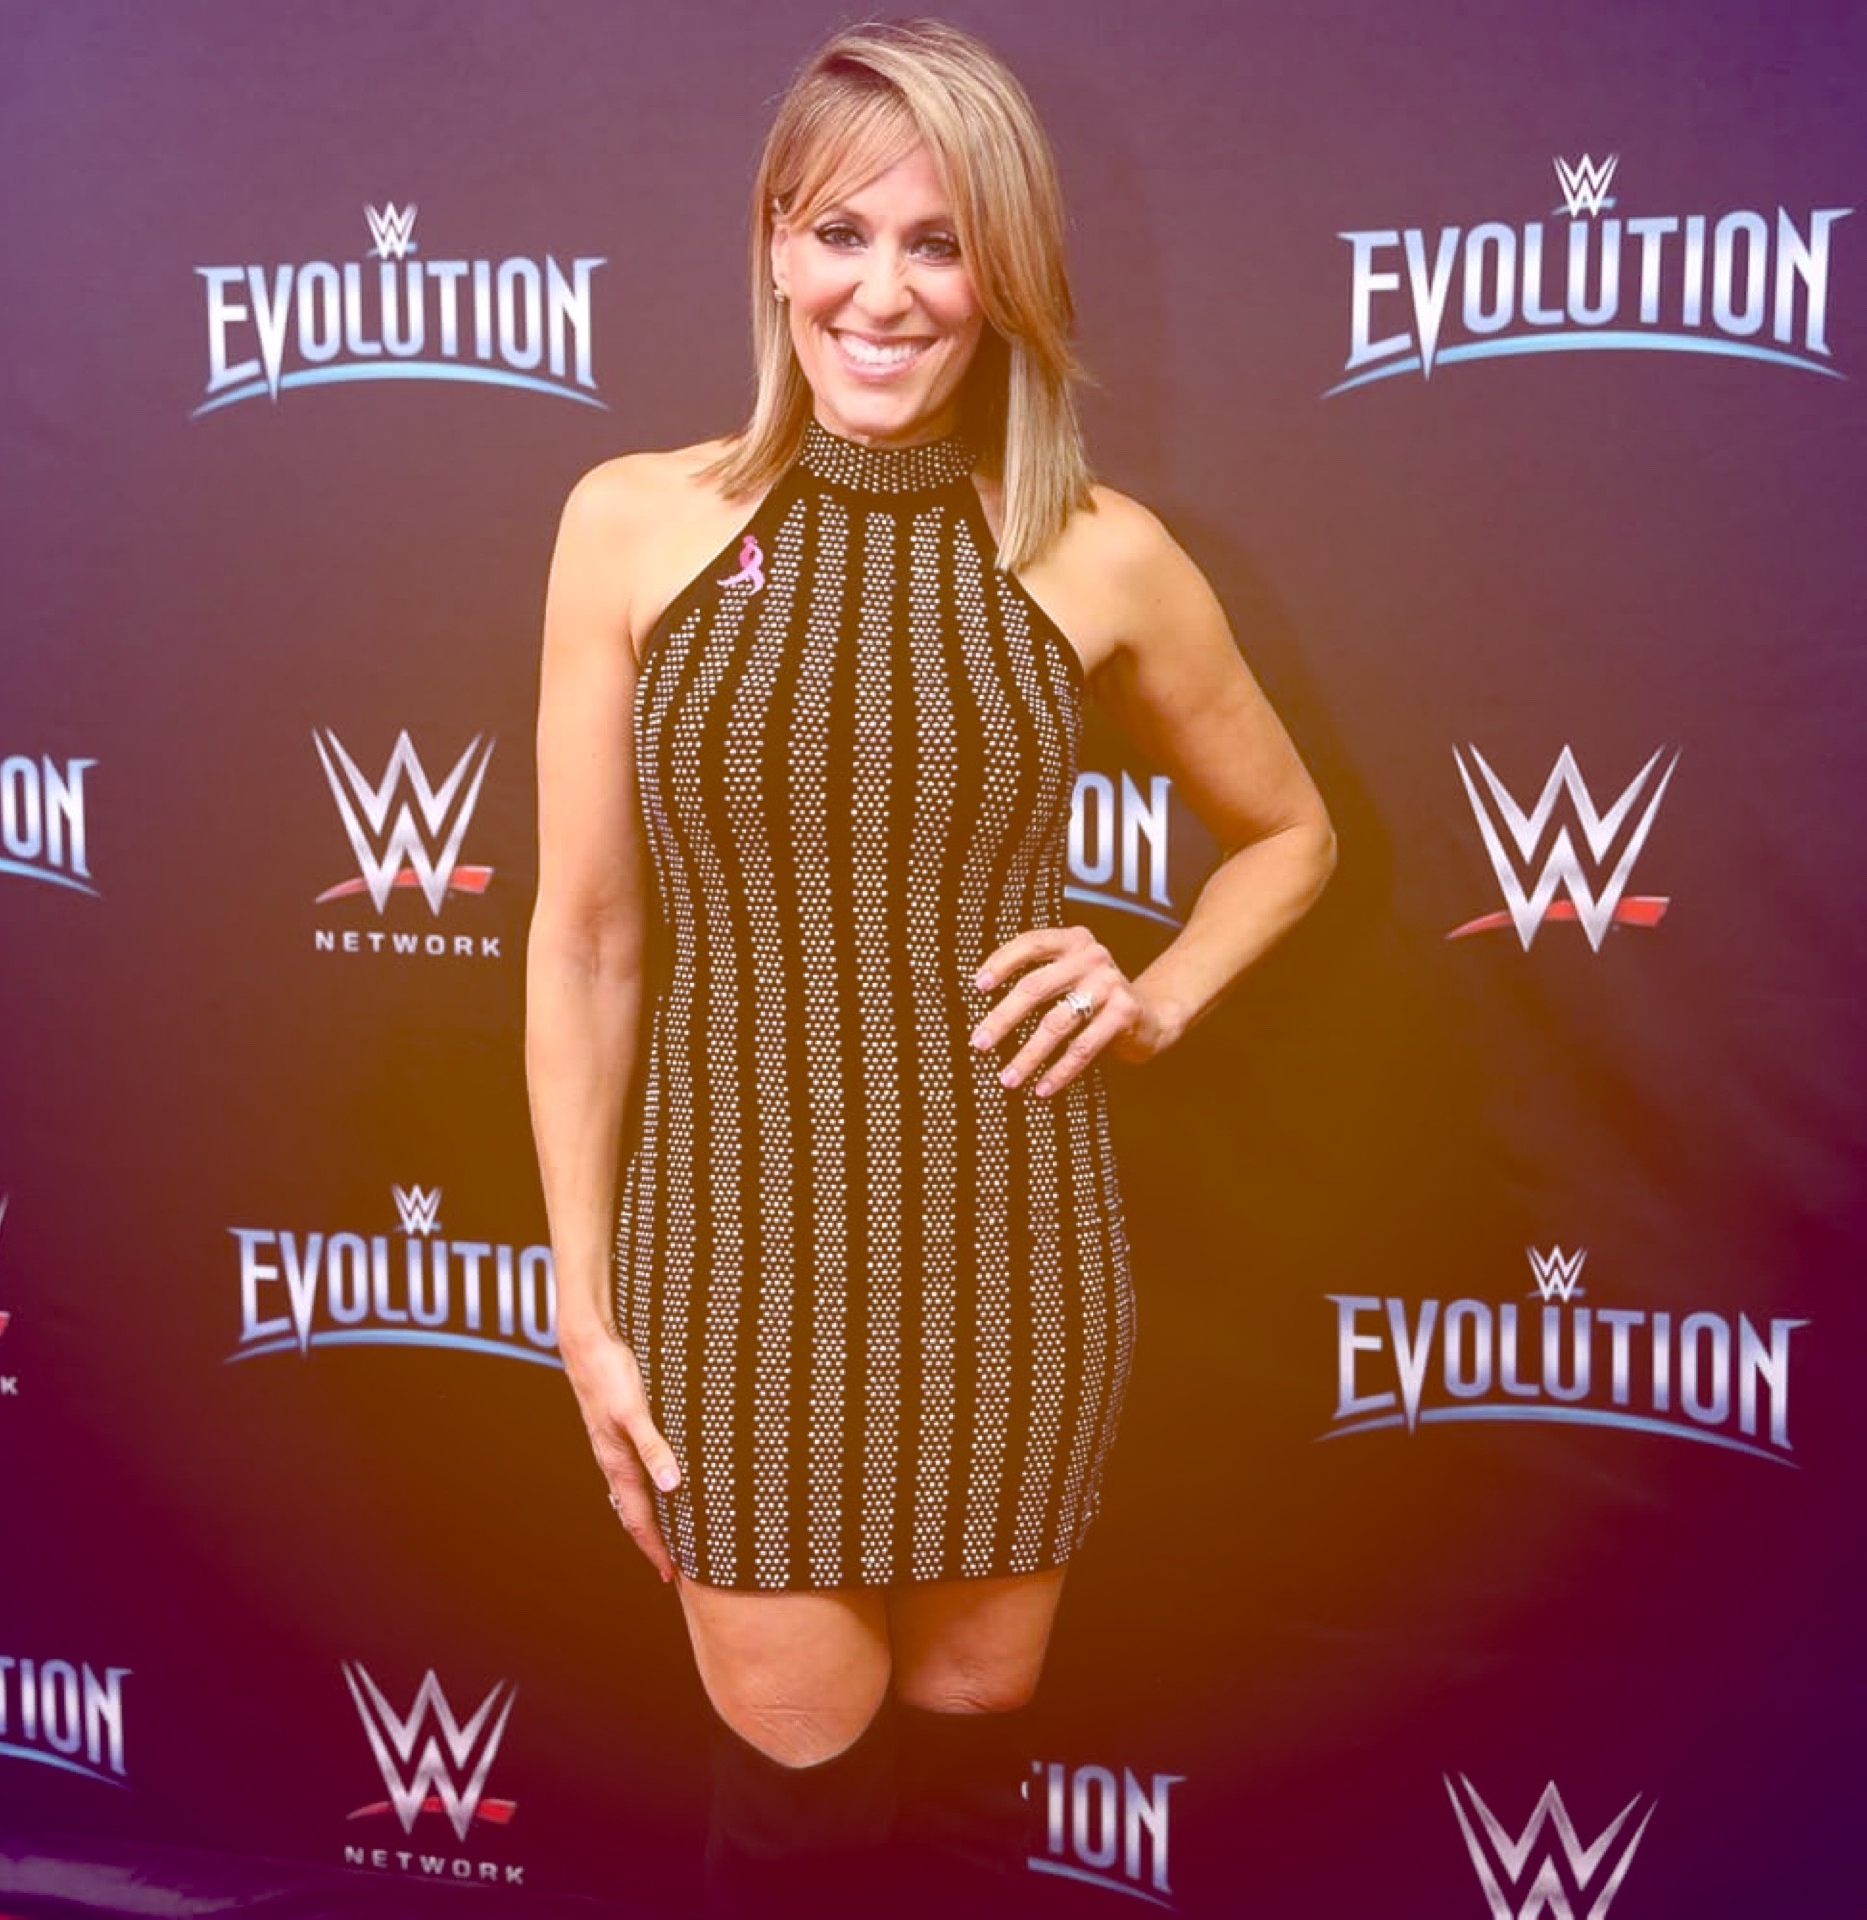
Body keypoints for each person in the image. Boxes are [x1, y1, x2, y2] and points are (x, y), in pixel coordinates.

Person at [525, 20, 1335, 1916]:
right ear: (773, 244)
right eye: (840, 232)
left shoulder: (1100, 554)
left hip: (1012, 1259)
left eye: (940, 244)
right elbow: (585, 939)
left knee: (970, 1782)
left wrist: (1155, 994)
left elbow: (1293, 835)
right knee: (798, 1805)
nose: (882, 293)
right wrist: (583, 1302)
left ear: (1008, 276)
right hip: (732, 1268)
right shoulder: (633, 522)